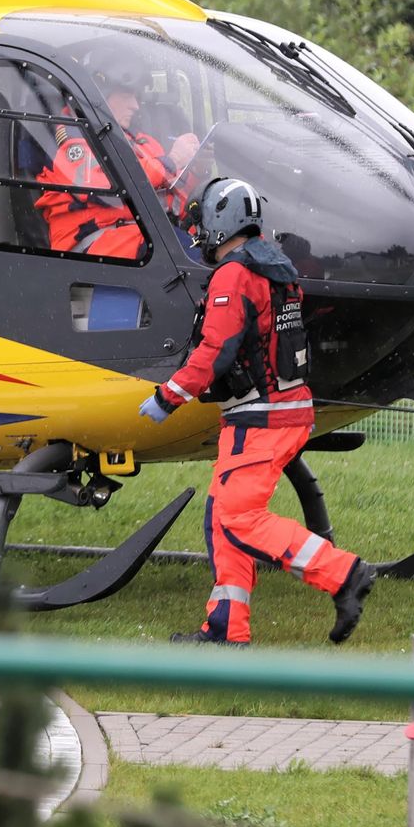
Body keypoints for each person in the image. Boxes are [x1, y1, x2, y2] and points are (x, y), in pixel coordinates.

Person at [139, 177, 376, 646]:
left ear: (221, 222)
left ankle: (344, 574)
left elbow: (216, 349)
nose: (199, 231)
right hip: (280, 411)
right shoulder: (277, 267)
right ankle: (227, 627)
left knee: (240, 518)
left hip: (260, 418)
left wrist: (168, 396)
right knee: (220, 516)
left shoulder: (234, 275)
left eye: (203, 222)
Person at [36, 42, 196, 257]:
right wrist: (174, 159)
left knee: (205, 252)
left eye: (137, 97)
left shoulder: (139, 140)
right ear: (101, 96)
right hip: (97, 245)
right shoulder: (72, 141)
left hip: (142, 235)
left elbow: (171, 191)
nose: (135, 106)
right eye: (128, 96)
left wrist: (196, 169)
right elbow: (108, 188)